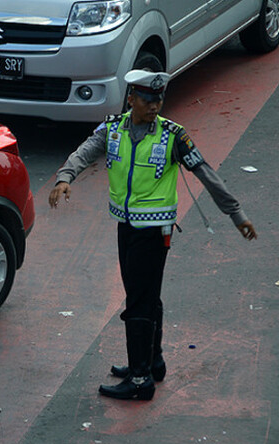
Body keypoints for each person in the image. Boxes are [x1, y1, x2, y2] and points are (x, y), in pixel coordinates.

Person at [48, 69, 257, 401]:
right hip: (126, 225)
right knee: (145, 294)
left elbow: (206, 173)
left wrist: (236, 213)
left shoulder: (173, 136)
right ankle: (152, 361)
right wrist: (65, 176)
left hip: (154, 230)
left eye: (159, 99)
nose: (155, 106)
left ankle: (140, 378)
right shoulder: (113, 129)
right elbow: (85, 150)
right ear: (132, 99)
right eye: (147, 100)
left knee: (139, 302)